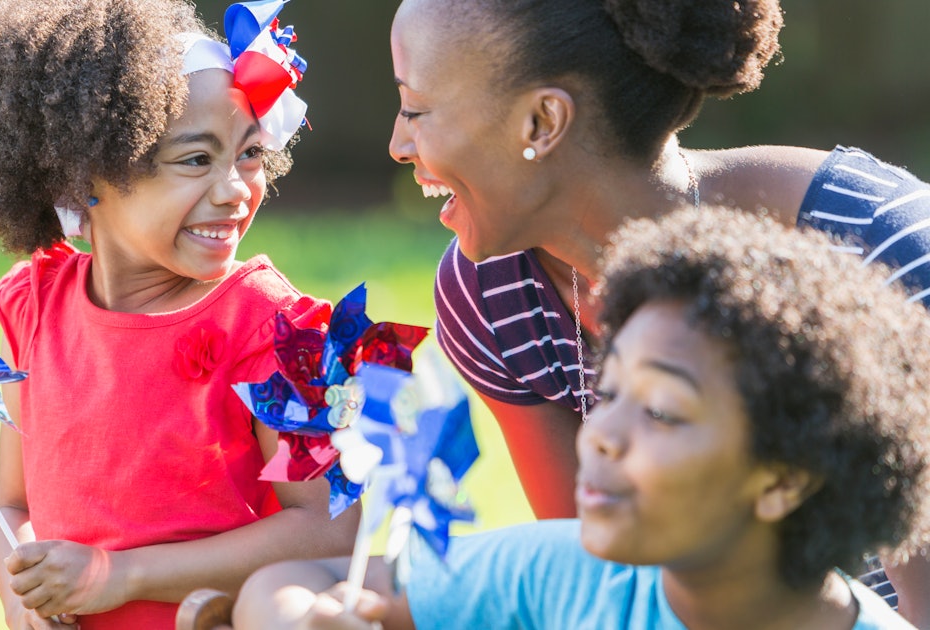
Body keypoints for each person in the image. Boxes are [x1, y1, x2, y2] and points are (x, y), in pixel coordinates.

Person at [387, 0, 930, 618]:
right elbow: (601, 583)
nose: (398, 144)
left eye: (416, 109)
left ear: (542, 121)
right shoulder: (487, 296)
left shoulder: (883, 249)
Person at [231, 207, 930, 629]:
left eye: (659, 410)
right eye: (610, 391)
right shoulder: (570, 577)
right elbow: (293, 583)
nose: (599, 432)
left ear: (783, 479)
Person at [0, 0, 358, 628]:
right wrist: (26, 605)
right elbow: (13, 509)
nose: (235, 187)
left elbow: (331, 528)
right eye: (195, 159)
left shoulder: (271, 326)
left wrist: (120, 576)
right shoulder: (33, 307)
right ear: (84, 178)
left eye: (250, 154)